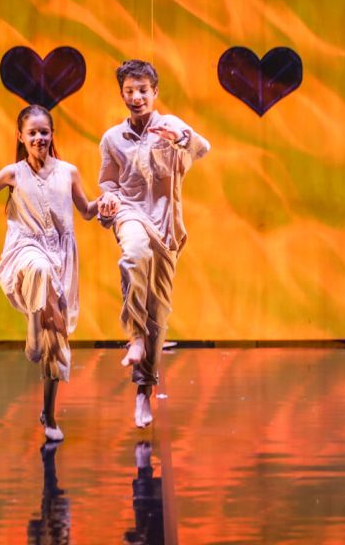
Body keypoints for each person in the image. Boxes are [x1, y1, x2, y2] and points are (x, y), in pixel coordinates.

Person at [0, 104, 99, 442]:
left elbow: (87, 210)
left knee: (56, 341)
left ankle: (49, 413)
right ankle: (33, 321)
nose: (39, 138)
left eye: (44, 132)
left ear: (52, 134)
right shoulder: (13, 173)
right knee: (39, 269)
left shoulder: (68, 172)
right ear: (21, 136)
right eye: (32, 133)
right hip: (25, 250)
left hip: (61, 258)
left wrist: (107, 206)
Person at [98, 60, 210, 428]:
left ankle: (144, 389)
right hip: (130, 214)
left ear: (155, 92)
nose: (136, 97)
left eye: (142, 90)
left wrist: (180, 138)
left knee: (158, 314)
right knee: (133, 253)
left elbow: (202, 148)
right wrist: (108, 199)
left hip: (167, 227)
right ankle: (134, 336)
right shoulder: (112, 138)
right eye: (129, 91)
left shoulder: (170, 124)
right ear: (121, 94)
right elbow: (108, 184)